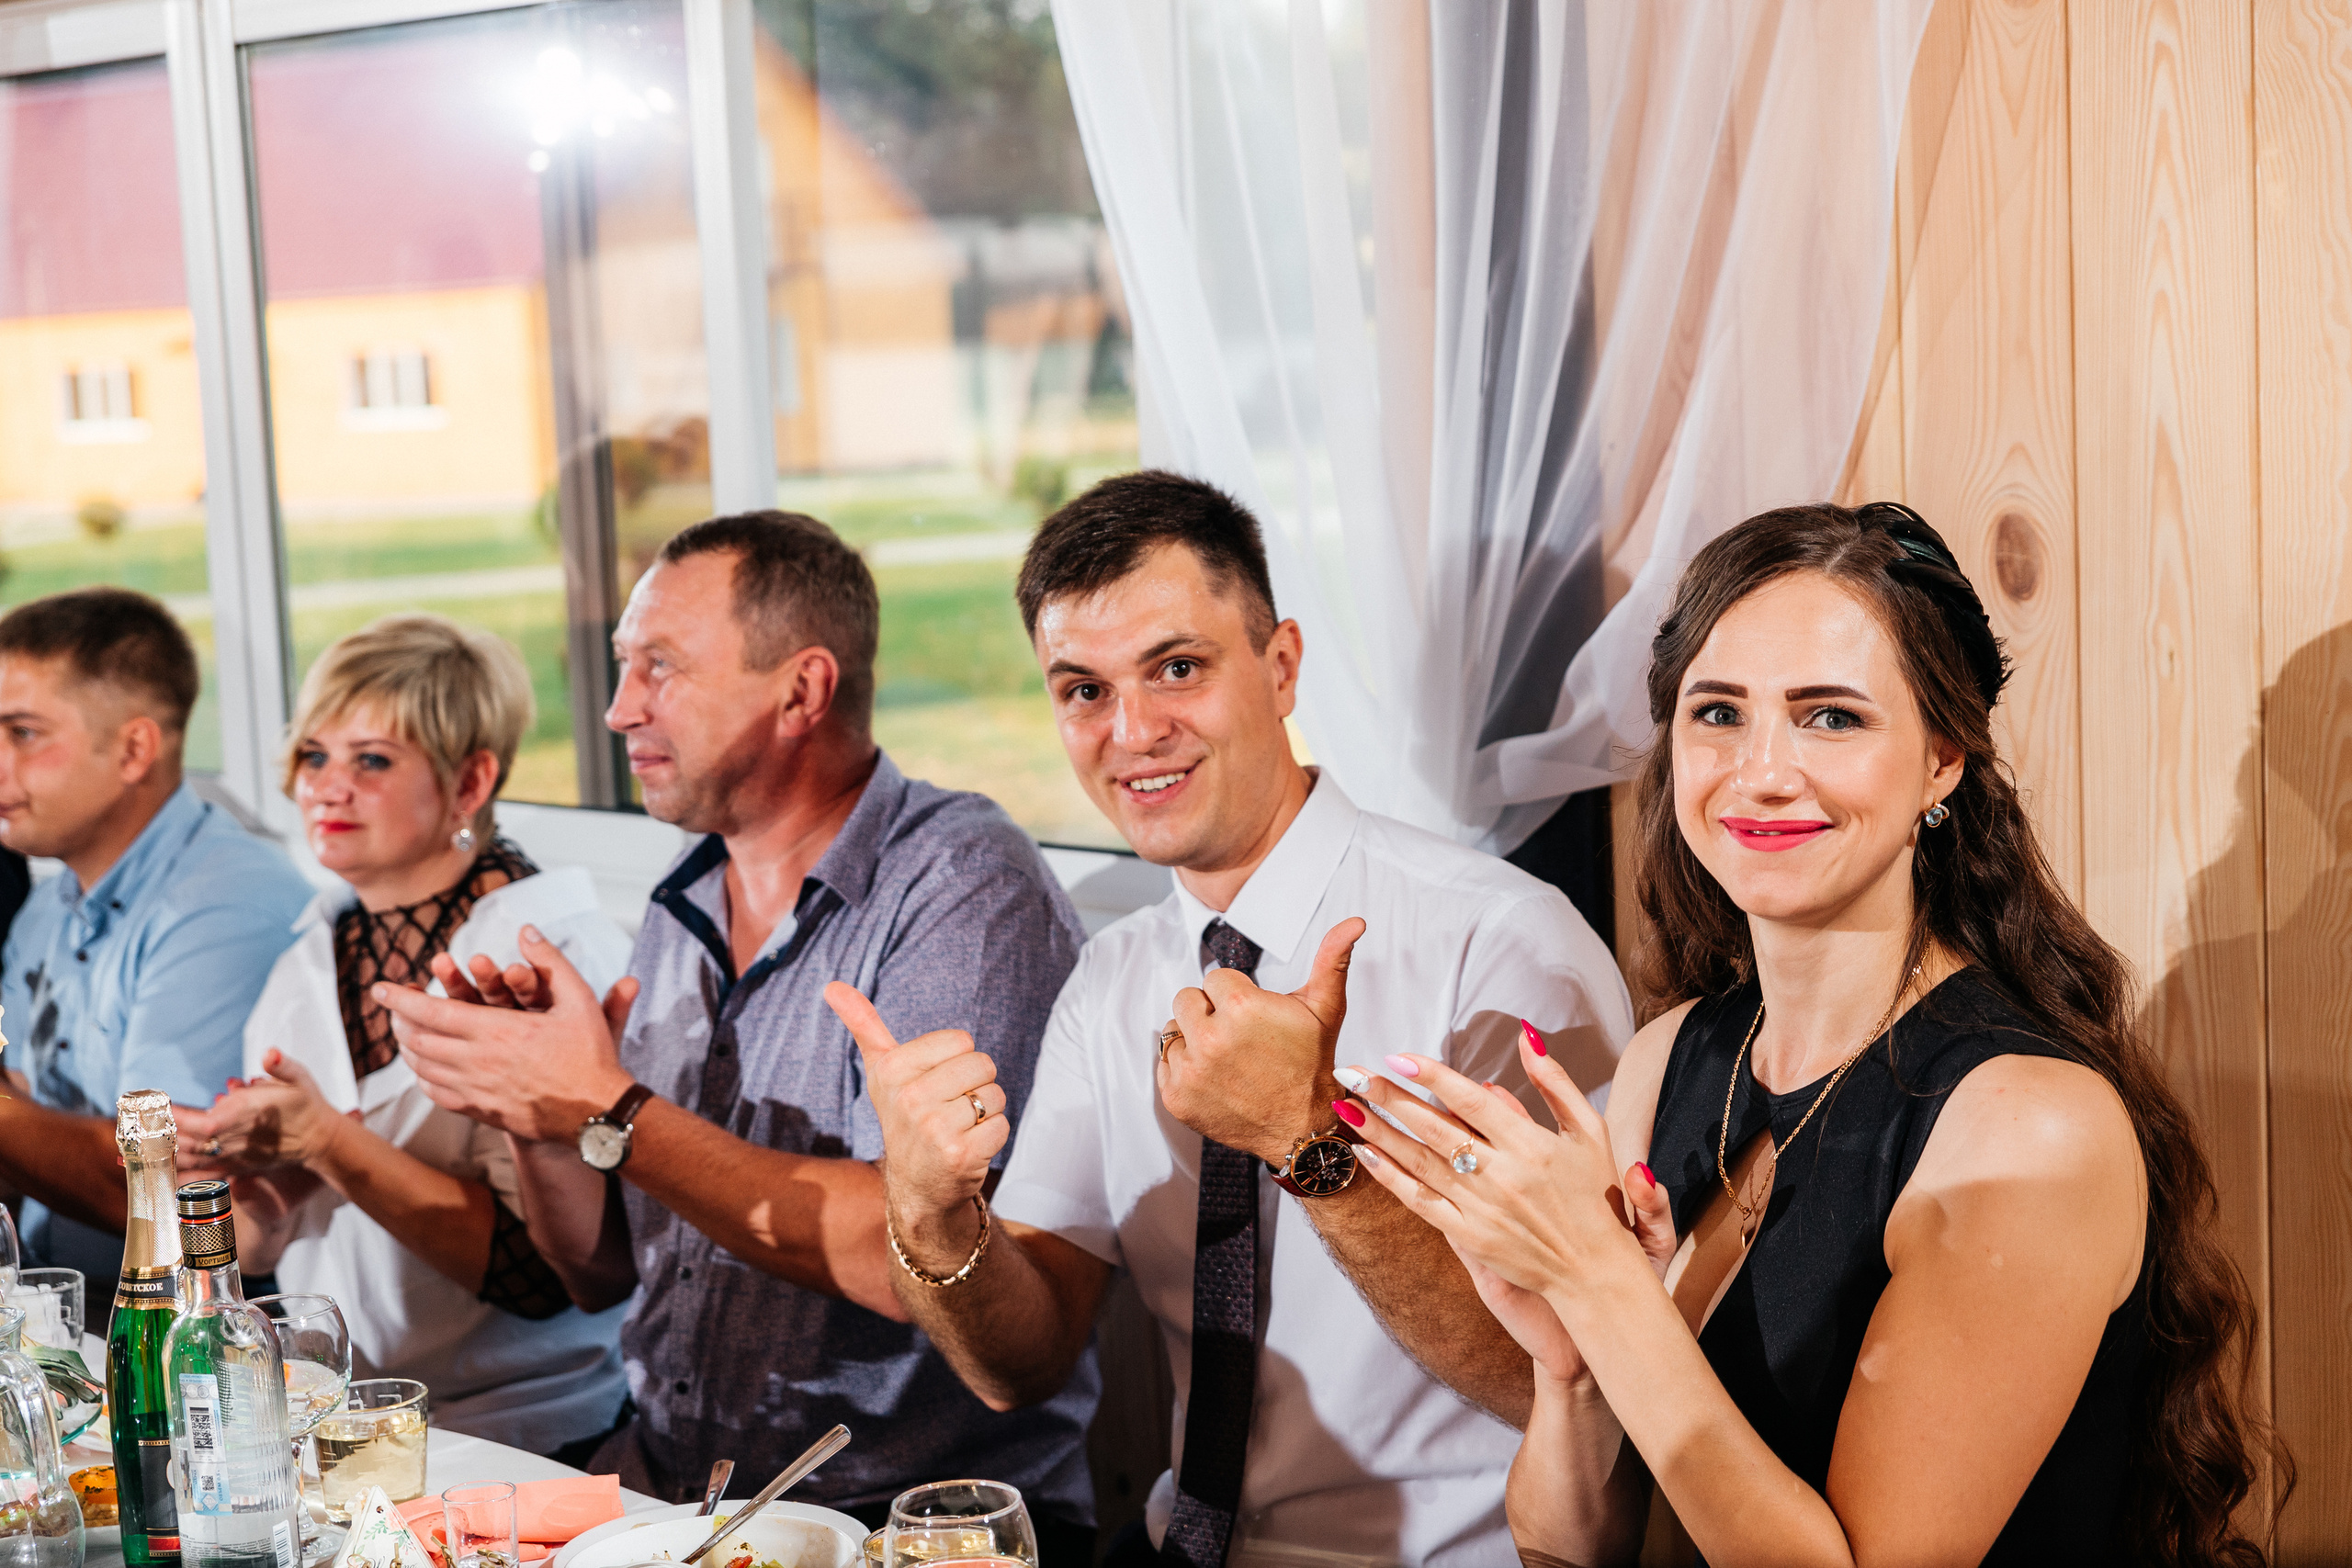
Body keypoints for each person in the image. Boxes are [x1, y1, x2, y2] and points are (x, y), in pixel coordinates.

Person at [1340, 502, 2284, 1565]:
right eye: (1717, 714)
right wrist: (1573, 1365)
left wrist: (1606, 1288)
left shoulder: (2027, 1124)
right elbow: (1568, 1549)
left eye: (1829, 717)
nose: (1761, 772)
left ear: (1942, 760)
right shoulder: (1673, 1056)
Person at [825, 470, 1634, 1568]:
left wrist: (1309, 1144)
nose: (1133, 731)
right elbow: (1020, 1363)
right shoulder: (1110, 977)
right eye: (1082, 690)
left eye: (1177, 669)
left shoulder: (1499, 944)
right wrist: (926, 1216)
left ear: (1283, 664)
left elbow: (1588, 1372)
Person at [376, 513, 1099, 1553]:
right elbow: (602, 1273)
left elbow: (912, 1249)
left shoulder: (962, 885)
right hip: (675, 1498)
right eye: (625, 670)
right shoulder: (681, 904)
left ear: (801, 690)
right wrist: (535, 1114)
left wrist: (606, 1104)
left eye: (659, 669)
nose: (621, 710)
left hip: (901, 1525)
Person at [175, 615, 633, 1455]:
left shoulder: (544, 957)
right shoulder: (307, 958)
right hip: (334, 1426)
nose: (326, 787)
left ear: (469, 783)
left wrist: (329, 1143)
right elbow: (262, 1240)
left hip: (525, 1436)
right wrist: (229, 1180)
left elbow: (549, 1279)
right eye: (314, 755)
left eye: (371, 760)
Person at [0, 587, 311, 1281]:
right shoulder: (47, 906)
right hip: (66, 1313)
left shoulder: (227, 903)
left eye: (22, 733)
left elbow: (158, 1192)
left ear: (135, 747)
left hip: (195, 1350)